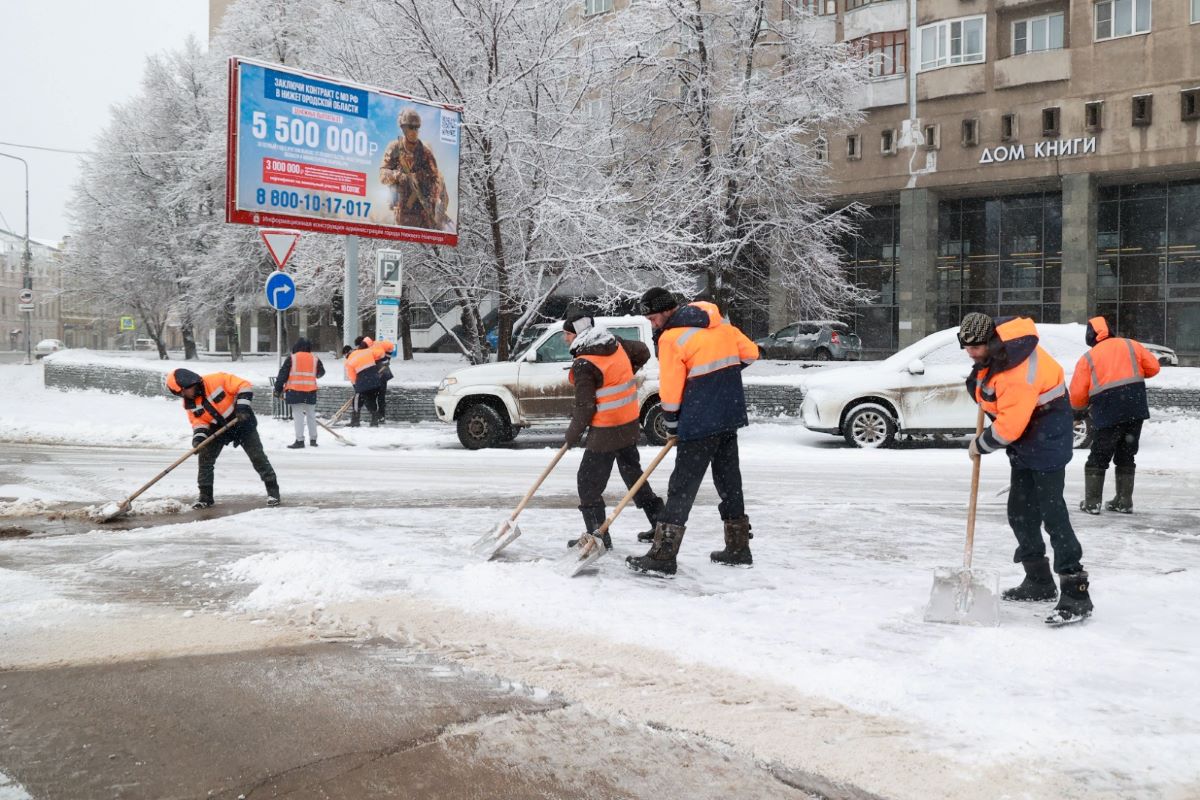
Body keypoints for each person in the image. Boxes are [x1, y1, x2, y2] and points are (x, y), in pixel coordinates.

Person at [958, 312, 1092, 625]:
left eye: (975, 347)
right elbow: (989, 388)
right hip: (1029, 434)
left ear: (991, 341)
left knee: (1052, 513)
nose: (970, 352)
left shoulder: (1017, 373)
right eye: (965, 346)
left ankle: (1076, 592)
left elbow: (1008, 428)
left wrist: (981, 444)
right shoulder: (1001, 351)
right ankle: (1039, 580)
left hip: (1046, 437)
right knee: (1020, 509)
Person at [626, 288, 759, 577]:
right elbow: (751, 353)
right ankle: (738, 548)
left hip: (699, 421)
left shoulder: (673, 338)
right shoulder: (719, 323)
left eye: (653, 317)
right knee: (729, 481)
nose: (652, 324)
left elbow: (671, 391)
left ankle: (663, 556)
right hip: (729, 413)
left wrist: (672, 421)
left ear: (667, 310)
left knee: (682, 487)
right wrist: (720, 380)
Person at [561, 313, 664, 550]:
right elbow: (643, 351)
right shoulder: (613, 342)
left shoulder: (584, 363)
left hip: (606, 429)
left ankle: (597, 536)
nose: (565, 340)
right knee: (632, 474)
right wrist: (625, 372)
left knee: (587, 482)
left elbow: (585, 407)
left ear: (578, 335)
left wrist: (571, 436)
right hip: (628, 422)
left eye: (567, 334)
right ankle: (660, 521)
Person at [1069, 316, 1160, 515]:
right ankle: (1124, 501)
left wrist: (1078, 410)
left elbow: (1077, 394)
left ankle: (1092, 503)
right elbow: (1154, 367)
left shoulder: (1088, 358)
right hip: (1135, 406)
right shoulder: (1131, 345)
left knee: (1099, 455)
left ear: (1090, 336)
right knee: (1126, 454)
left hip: (1108, 409)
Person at [165, 368, 279, 509]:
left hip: (241, 421)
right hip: (218, 429)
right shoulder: (189, 403)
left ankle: (273, 492)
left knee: (257, 456)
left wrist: (242, 407)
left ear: (190, 383)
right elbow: (199, 422)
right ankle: (205, 497)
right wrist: (199, 440)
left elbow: (244, 385)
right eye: (179, 394)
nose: (183, 395)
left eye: (183, 391)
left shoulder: (217, 380)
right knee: (205, 459)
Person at [379, 108, 447, 231]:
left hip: (423, 213)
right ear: (403, 128)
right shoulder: (394, 148)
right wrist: (398, 176)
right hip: (402, 213)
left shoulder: (425, 153)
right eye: (411, 127)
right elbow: (383, 175)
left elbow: (437, 180)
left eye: (417, 127)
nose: (414, 131)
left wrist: (420, 178)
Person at [274, 337, 326, 449]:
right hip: (310, 392)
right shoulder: (315, 359)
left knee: (298, 417)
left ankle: (300, 440)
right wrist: (314, 374)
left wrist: (277, 389)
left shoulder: (292, 358)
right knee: (311, 416)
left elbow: (282, 375)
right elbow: (321, 373)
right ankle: (313, 440)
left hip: (295, 391)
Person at [345, 337, 396, 427]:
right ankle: (375, 419)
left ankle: (357, 420)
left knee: (360, 399)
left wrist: (356, 388)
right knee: (371, 399)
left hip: (374, 376)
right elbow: (381, 354)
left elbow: (352, 378)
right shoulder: (369, 350)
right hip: (375, 378)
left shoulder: (350, 360)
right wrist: (386, 359)